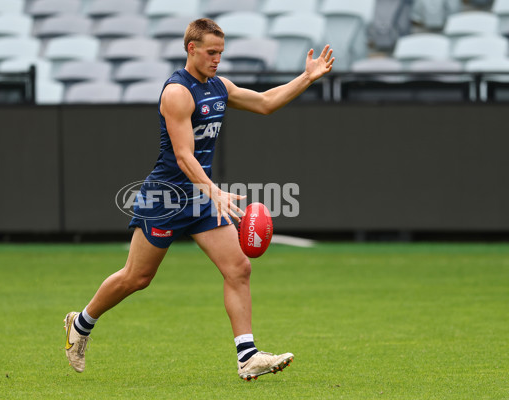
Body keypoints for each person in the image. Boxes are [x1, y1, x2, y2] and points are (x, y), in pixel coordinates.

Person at [64, 17, 334, 381]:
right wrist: (215, 191)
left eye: (221, 53)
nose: (217, 59)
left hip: (202, 196)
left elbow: (266, 103)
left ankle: (247, 355)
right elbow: (183, 156)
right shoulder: (177, 92)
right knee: (137, 278)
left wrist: (307, 78)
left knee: (239, 268)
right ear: (191, 49)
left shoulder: (219, 86)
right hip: (167, 197)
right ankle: (80, 323)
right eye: (210, 52)